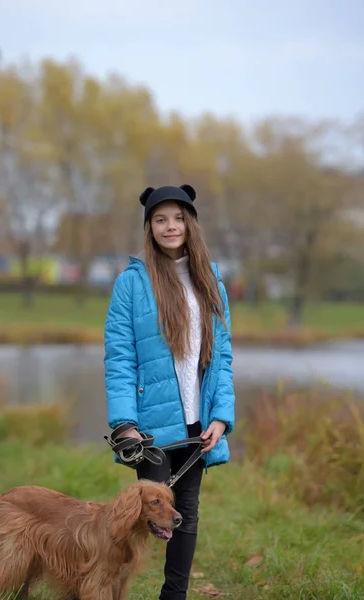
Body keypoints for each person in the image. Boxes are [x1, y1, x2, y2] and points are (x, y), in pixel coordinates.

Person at [104, 184, 235, 600]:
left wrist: (221, 416)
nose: (170, 226)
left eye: (178, 217)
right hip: (152, 429)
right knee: (141, 517)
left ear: (190, 222)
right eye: (160, 219)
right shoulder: (132, 283)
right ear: (150, 227)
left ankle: (173, 596)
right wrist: (124, 423)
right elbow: (120, 357)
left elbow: (223, 355)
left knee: (187, 514)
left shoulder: (209, 277)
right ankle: (100, 584)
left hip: (199, 424)